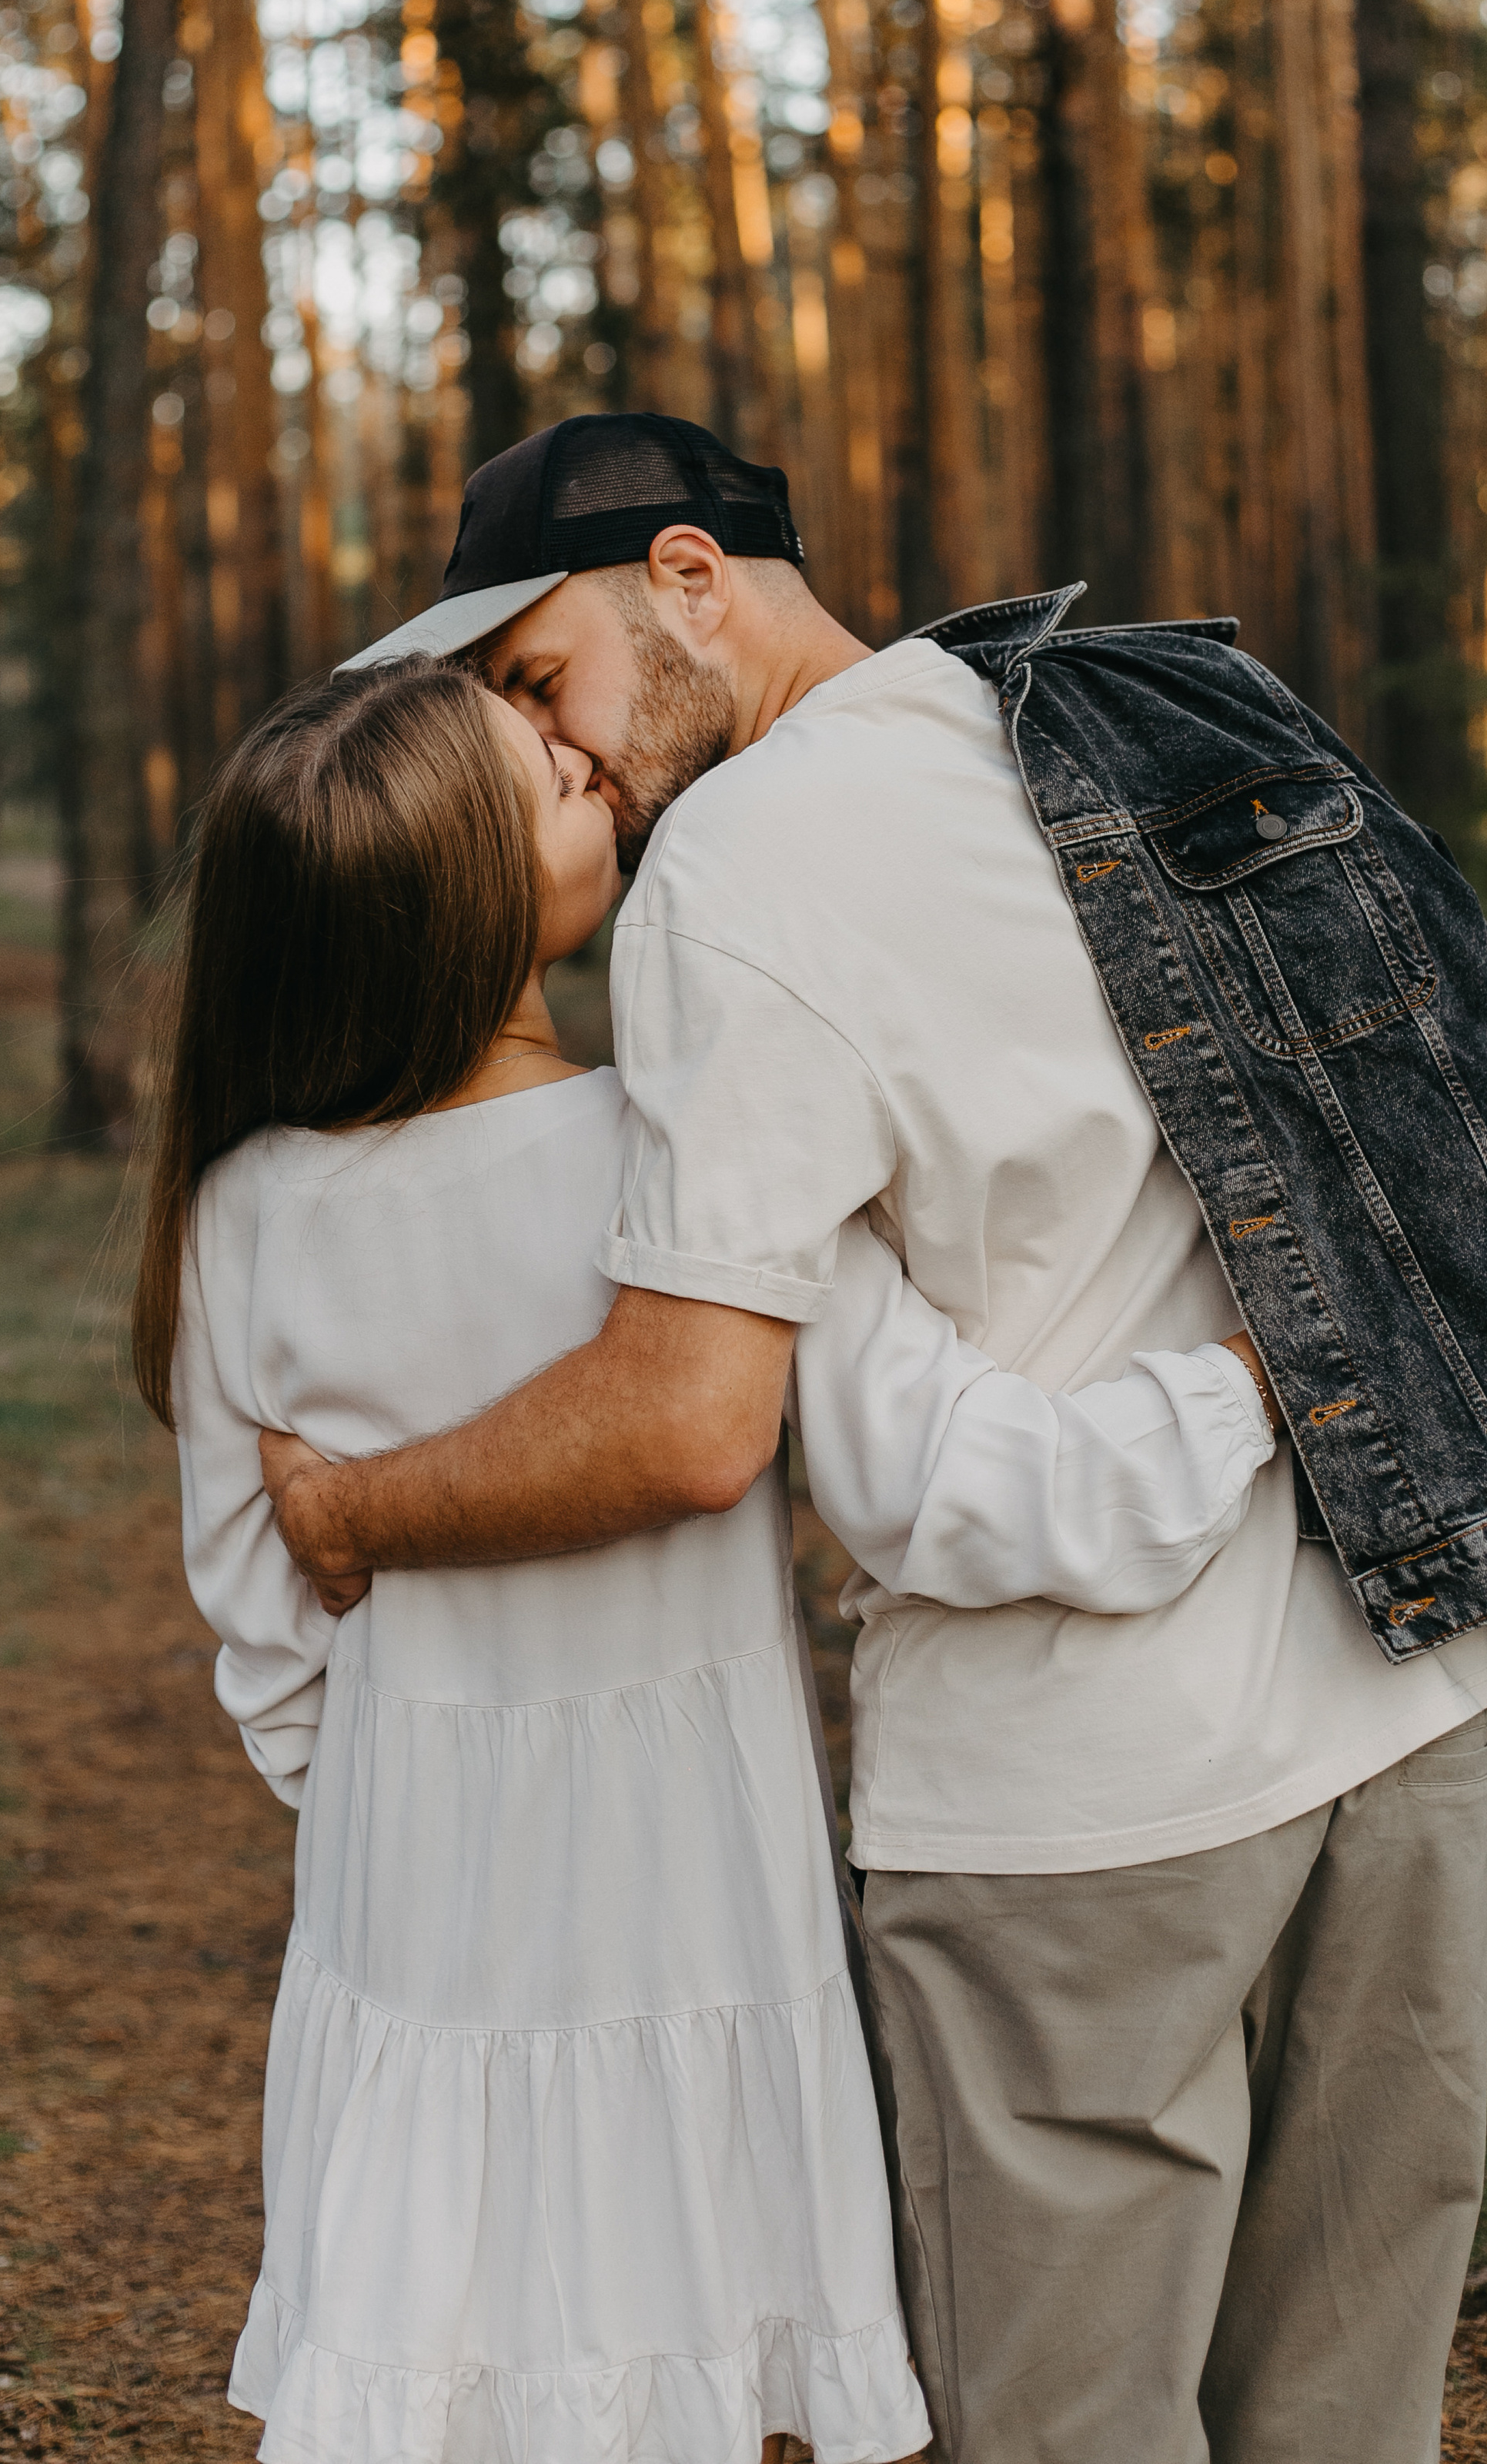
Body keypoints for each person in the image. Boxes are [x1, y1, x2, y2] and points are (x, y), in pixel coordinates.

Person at [255, 410, 1487, 2464]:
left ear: (685, 576)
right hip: (1399, 1692)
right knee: (1348, 2416)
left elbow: (692, 1424)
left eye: (532, 673)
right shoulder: (1122, 718)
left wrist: (348, 1501)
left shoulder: (739, 879)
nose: (553, 746)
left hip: (1083, 1806)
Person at [135, 652, 1285, 2464]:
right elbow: (944, 1469)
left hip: (400, 1903)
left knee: (438, 2365)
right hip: (683, 1884)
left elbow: (263, 1634)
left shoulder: (238, 1208)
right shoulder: (671, 1159)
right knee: (700, 2361)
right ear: (468, 902)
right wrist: (1244, 1389)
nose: (597, 771)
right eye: (553, 781)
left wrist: (397, 1804)